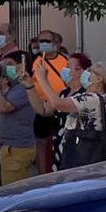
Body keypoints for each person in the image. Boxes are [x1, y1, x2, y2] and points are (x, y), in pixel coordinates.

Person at [29, 53, 106, 170]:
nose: (87, 74)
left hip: (80, 154)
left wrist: (42, 79)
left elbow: (56, 103)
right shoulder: (100, 97)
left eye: (90, 72)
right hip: (69, 150)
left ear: (99, 79)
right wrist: (29, 85)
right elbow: (44, 109)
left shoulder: (91, 98)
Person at [0, 49, 36, 185]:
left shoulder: (22, 88)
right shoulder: (13, 88)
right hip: (7, 146)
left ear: (21, 66)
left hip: (18, 147)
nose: (6, 68)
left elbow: (4, 108)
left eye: (10, 64)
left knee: (12, 191)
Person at [29, 30, 69, 174]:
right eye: (41, 41)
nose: (43, 44)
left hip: (61, 107)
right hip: (42, 107)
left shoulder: (65, 61)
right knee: (41, 143)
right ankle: (42, 175)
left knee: (61, 140)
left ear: (55, 43)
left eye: (47, 41)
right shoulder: (33, 61)